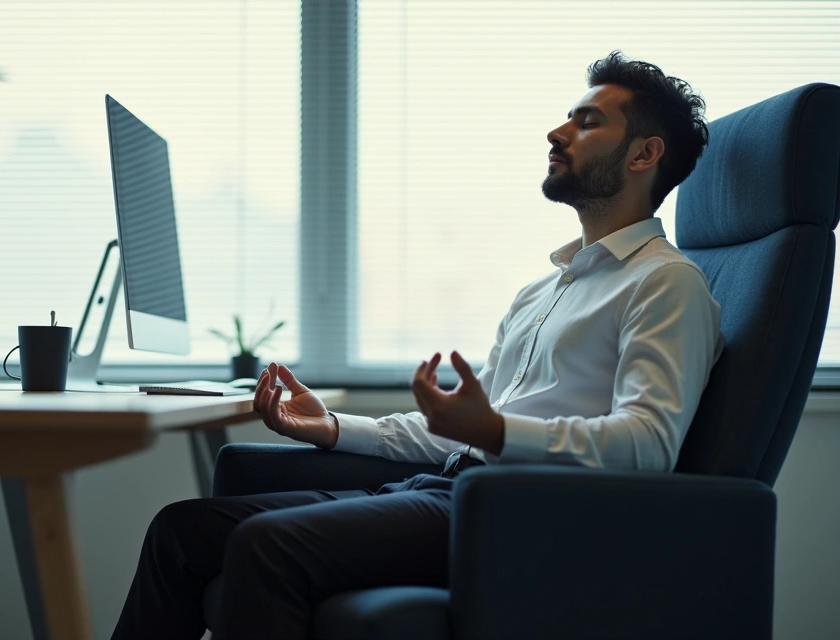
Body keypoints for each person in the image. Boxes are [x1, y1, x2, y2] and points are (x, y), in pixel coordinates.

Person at [111, 50, 723, 640]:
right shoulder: (542, 290)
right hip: (445, 488)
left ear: (644, 153)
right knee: (181, 531)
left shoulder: (666, 284)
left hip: (518, 517)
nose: (557, 132)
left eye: (588, 122)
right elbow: (460, 432)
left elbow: (648, 446)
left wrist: (497, 433)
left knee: (266, 547)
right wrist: (331, 428)